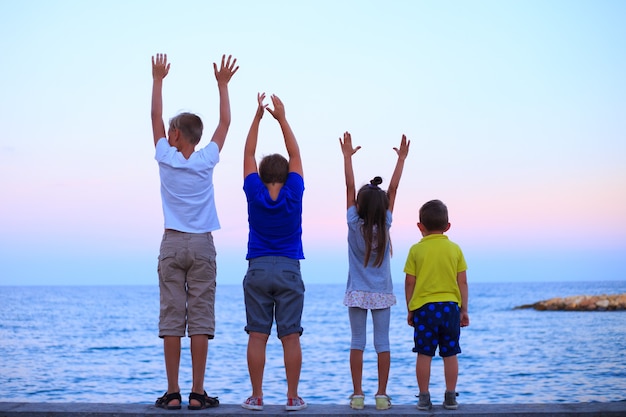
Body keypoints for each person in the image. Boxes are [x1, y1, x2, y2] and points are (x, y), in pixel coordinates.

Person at [151, 53, 238, 410]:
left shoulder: (164, 156)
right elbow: (225, 122)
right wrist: (222, 85)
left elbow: (154, 116)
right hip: (202, 244)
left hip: (172, 242)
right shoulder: (206, 159)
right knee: (200, 317)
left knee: (173, 317)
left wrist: (158, 79)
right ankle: (198, 393)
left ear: (174, 135)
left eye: (170, 130)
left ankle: (173, 393)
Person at [241, 93, 307, 412]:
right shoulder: (294, 191)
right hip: (289, 269)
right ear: (286, 174)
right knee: (290, 337)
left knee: (257, 336)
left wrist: (257, 117)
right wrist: (282, 118)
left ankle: (257, 396)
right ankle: (292, 397)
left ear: (262, 175)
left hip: (257, 268)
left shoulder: (254, 192)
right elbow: (294, 152)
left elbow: (248, 152)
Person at [339, 131, 410, 410]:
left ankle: (358, 395)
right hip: (381, 293)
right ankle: (381, 395)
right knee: (383, 343)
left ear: (358, 205)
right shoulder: (386, 224)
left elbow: (348, 187)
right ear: (384, 207)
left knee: (357, 342)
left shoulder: (353, 223)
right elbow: (393, 190)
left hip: (357, 292)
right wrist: (401, 160)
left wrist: (346, 157)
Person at [403, 199, 469, 410]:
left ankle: (424, 397)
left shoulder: (415, 250)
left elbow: (410, 282)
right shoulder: (455, 249)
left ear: (420, 226)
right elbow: (462, 282)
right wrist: (464, 310)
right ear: (448, 226)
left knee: (424, 354)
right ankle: (450, 397)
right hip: (450, 308)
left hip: (424, 309)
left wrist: (410, 309)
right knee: (450, 353)